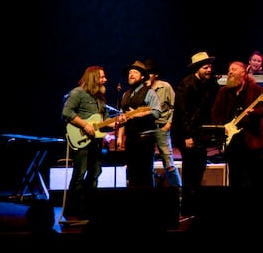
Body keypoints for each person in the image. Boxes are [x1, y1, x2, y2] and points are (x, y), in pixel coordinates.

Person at [173, 51, 218, 216]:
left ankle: (194, 206)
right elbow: (182, 111)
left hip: (199, 133)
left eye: (210, 67)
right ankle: (187, 207)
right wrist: (187, 136)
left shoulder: (205, 84)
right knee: (191, 171)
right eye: (206, 67)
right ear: (197, 68)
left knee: (199, 167)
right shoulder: (186, 84)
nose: (209, 70)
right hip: (187, 134)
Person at [62, 65, 111, 218]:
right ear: (93, 78)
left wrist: (119, 122)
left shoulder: (99, 98)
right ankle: (72, 211)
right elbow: (66, 112)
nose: (105, 80)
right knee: (79, 174)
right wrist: (84, 125)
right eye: (102, 77)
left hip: (95, 142)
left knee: (95, 173)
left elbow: (106, 120)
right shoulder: (78, 93)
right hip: (81, 139)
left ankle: (89, 209)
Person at [212, 61, 263, 188]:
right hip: (232, 141)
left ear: (243, 73)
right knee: (235, 178)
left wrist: (253, 113)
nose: (230, 72)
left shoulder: (256, 90)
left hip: (252, 140)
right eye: (229, 70)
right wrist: (223, 128)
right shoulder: (224, 92)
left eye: (233, 69)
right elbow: (216, 114)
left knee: (254, 178)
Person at [118, 60, 162, 188]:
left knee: (145, 174)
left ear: (142, 76)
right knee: (132, 174)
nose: (131, 74)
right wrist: (120, 136)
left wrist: (139, 114)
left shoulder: (149, 92)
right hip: (131, 140)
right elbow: (122, 116)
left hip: (145, 139)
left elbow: (157, 112)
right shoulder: (126, 95)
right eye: (130, 72)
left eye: (135, 72)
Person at [144, 59, 182, 189]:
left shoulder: (165, 87)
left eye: (149, 73)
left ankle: (178, 191)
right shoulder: (142, 88)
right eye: (145, 73)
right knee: (147, 163)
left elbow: (175, 107)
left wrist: (169, 124)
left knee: (168, 162)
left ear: (155, 74)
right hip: (147, 129)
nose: (147, 75)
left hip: (162, 127)